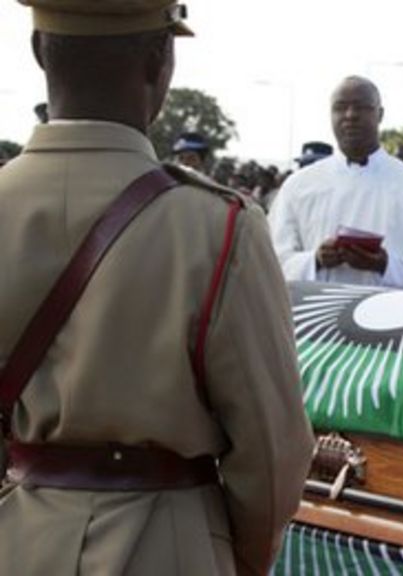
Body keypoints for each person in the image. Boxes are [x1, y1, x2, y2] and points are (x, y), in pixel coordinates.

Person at [0, 2, 315, 575]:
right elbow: (275, 452)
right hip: (171, 547)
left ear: (38, 51)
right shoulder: (218, 226)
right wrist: (228, 558)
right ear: (160, 60)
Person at [268, 76, 403, 292]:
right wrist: (316, 260)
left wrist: (386, 265)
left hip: (391, 320)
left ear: (380, 114)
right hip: (314, 320)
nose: (350, 116)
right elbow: (269, 262)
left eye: (361, 107)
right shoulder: (298, 186)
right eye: (340, 108)